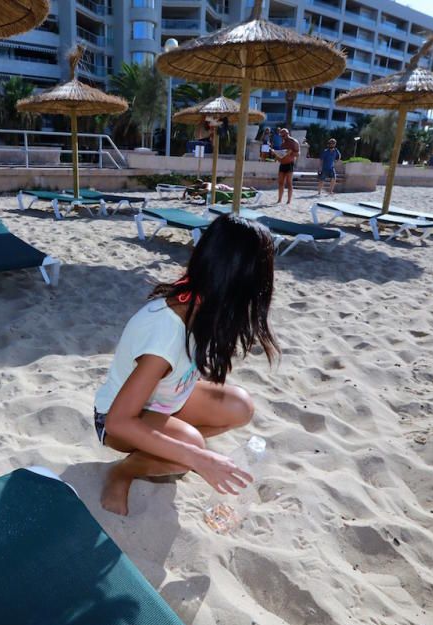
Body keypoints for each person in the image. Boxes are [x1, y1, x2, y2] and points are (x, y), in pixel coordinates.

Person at [94, 214, 278, 516]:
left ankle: (165, 446)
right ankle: (123, 471)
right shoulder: (165, 335)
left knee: (240, 406)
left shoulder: (198, 300)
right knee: (189, 452)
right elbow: (117, 421)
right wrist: (195, 456)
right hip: (116, 418)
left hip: (162, 402)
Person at [275, 128, 299, 204]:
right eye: (281, 136)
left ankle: (288, 200)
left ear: (287, 134)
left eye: (284, 135)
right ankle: (279, 199)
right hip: (282, 164)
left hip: (289, 164)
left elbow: (298, 154)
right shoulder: (282, 144)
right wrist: (276, 155)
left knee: (289, 183)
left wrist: (290, 153)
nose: (283, 137)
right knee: (280, 182)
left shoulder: (294, 142)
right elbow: (281, 156)